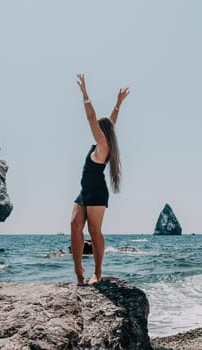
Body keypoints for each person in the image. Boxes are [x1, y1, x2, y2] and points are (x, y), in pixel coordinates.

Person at [71, 74, 130, 285]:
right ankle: (79, 270)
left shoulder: (104, 146)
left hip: (96, 192)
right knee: (74, 224)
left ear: (102, 132)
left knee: (94, 231)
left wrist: (85, 94)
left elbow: (90, 118)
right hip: (84, 191)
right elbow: (111, 123)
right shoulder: (102, 143)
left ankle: (97, 271)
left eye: (99, 126)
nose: (95, 126)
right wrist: (118, 104)